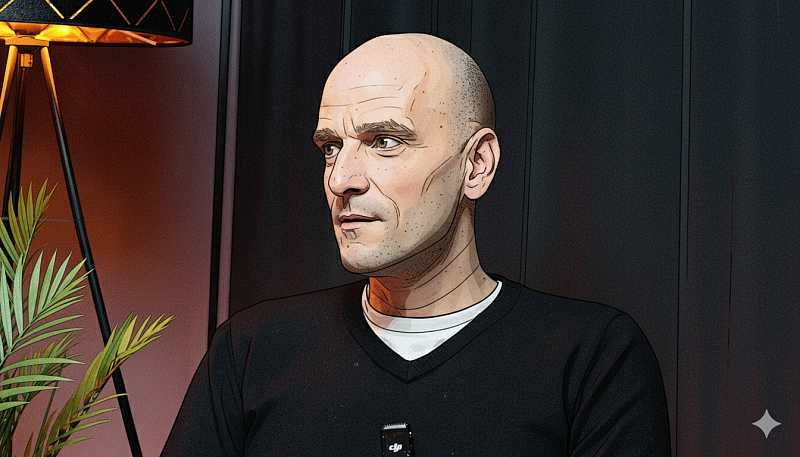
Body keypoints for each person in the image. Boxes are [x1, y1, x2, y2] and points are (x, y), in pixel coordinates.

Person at [162, 33, 670, 456]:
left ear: (477, 165)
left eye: (386, 142)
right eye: (331, 147)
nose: (341, 179)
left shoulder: (592, 357)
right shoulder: (254, 349)